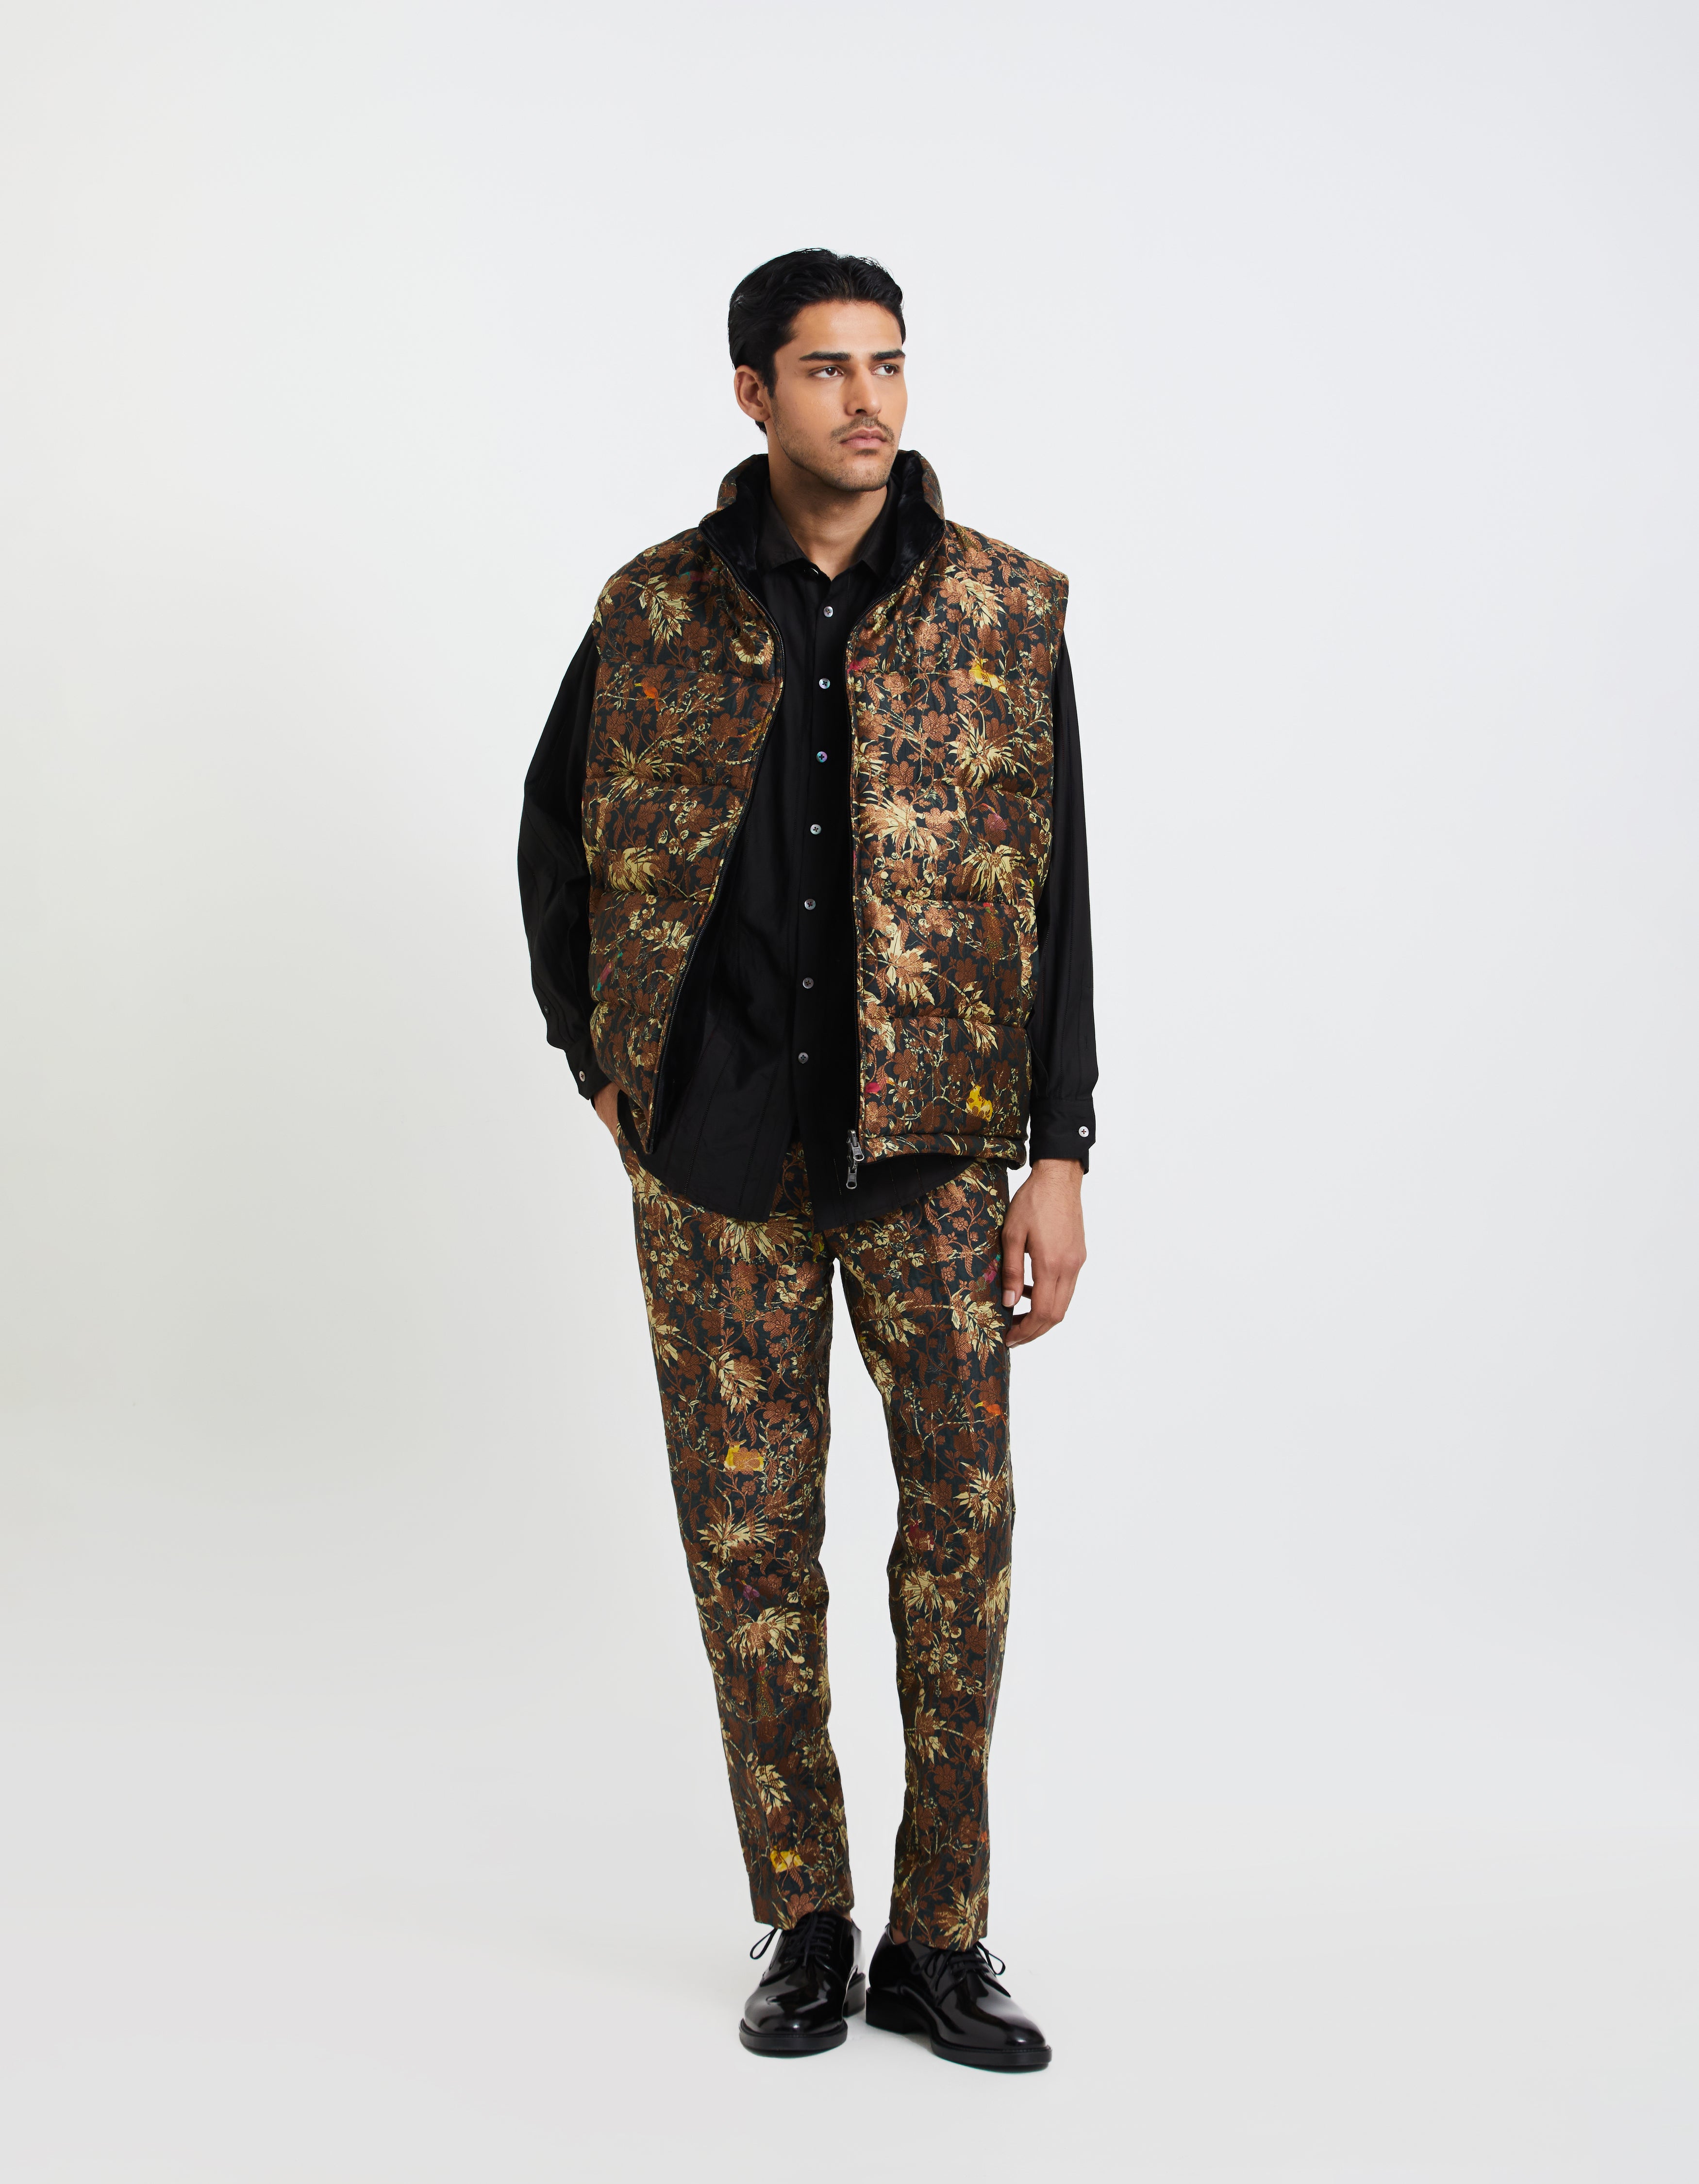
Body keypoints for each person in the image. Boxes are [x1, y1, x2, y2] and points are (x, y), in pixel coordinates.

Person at [518, 248, 1096, 2071]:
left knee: (960, 1542)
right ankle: (807, 1916)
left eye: (889, 364)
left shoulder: (1003, 609)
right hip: (717, 1167)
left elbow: (1059, 894)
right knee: (750, 1551)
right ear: (752, 392)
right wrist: (606, 1065)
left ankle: (941, 1935)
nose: (867, 398)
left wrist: (1059, 1150)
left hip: (936, 1158)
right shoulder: (653, 608)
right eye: (828, 367)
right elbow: (555, 836)